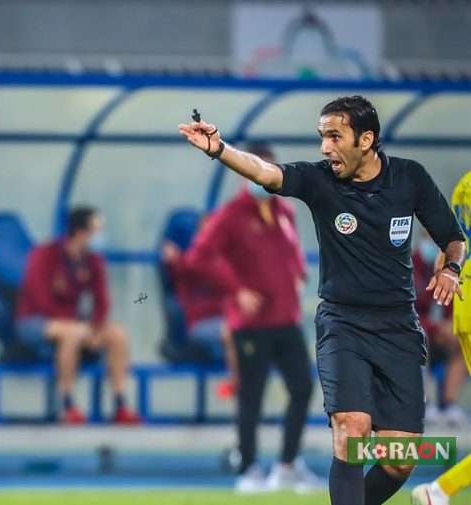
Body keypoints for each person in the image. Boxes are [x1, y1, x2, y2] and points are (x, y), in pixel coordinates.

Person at [178, 95, 465, 505]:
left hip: (399, 329)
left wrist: (450, 269)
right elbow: (267, 172)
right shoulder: (321, 181)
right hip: (342, 324)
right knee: (351, 430)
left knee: (401, 458)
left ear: (366, 139)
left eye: (334, 136)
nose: (325, 147)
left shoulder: (409, 178)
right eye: (321, 136)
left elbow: (453, 238)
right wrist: (220, 150)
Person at [179, 143, 317, 493]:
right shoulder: (231, 214)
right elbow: (198, 257)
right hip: (250, 324)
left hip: (286, 318)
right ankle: (250, 469)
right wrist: (236, 289)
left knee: (302, 387)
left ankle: (287, 464)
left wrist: (298, 278)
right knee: (251, 396)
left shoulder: (283, 210)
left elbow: (293, 255)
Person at [16, 206, 140, 424]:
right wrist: (80, 329)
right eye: (97, 230)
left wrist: (96, 328)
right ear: (81, 233)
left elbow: (102, 300)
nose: (100, 237)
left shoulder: (93, 260)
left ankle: (121, 403)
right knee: (73, 334)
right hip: (34, 320)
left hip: (74, 323)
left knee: (117, 334)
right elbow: (38, 298)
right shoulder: (45, 255)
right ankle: (67, 404)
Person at [412, 170, 471, 505]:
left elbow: (447, 247)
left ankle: (439, 490)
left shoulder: (464, 184)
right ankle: (439, 490)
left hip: (464, 307)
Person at [161, 217, 237, 394]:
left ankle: (244, 384)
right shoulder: (191, 260)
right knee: (232, 332)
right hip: (199, 324)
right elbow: (185, 267)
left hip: (225, 319)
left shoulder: (223, 259)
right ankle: (236, 384)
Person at [413, 232, 468, 426]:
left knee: (463, 341)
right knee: (419, 341)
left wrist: (451, 325)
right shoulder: (410, 265)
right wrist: (435, 327)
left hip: (443, 333)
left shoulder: (453, 267)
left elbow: (457, 302)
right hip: (418, 331)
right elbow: (407, 310)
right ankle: (424, 406)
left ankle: (449, 405)